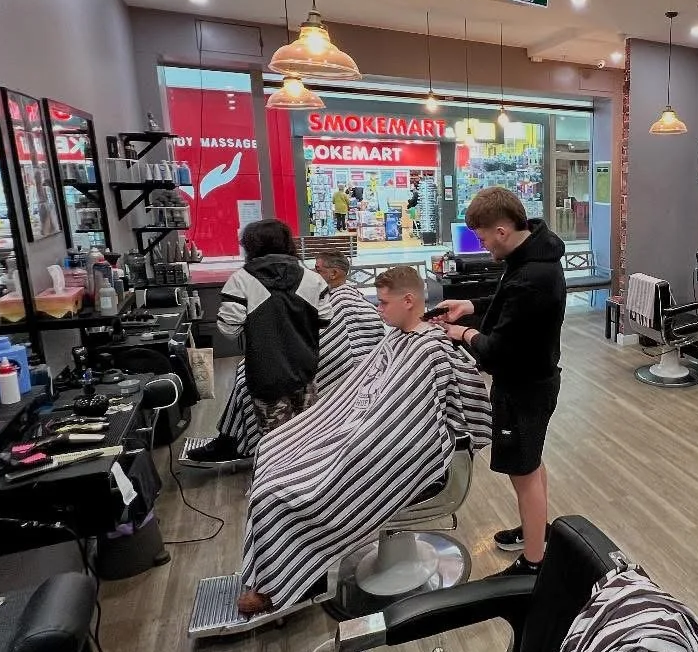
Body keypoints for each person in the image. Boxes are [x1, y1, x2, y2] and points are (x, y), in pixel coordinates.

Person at [236, 264, 491, 617]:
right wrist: (330, 425)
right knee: (272, 448)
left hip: (398, 446)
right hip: (365, 430)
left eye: (384, 303)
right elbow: (366, 394)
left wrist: (352, 439)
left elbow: (418, 415)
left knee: (279, 492)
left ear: (407, 300)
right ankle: (278, 569)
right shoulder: (398, 337)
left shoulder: (430, 348)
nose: (378, 310)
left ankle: (279, 581)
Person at [437, 187, 566, 576]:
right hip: (536, 379)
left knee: (523, 473)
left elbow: (496, 351)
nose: (482, 245)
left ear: (501, 230)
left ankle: (534, 562)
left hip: (523, 386)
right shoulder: (534, 254)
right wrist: (470, 308)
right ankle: (536, 532)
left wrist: (459, 333)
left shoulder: (532, 276)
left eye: (482, 238)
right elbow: (512, 307)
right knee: (532, 464)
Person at [188, 250, 387, 464]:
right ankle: (230, 439)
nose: (312, 272)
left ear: (335, 274)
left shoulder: (341, 299)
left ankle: (236, 444)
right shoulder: (335, 295)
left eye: (318, 269)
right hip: (334, 363)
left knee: (249, 384)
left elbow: (336, 337)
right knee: (249, 374)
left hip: (337, 367)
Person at [217, 219, 331, 433]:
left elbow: (228, 330)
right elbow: (325, 319)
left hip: (265, 375)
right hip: (304, 371)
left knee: (275, 443)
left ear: (250, 246)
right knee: (312, 434)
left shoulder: (240, 280)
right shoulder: (312, 279)